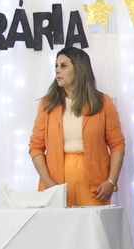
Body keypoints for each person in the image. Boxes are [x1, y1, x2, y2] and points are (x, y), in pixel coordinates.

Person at [29, 46, 125, 207]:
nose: (57, 70)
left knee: (92, 223)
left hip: (95, 186)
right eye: (56, 65)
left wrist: (111, 181)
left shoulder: (103, 102)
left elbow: (117, 145)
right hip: (56, 186)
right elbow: (36, 147)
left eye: (63, 66)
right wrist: (48, 183)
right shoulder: (48, 104)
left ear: (79, 68)